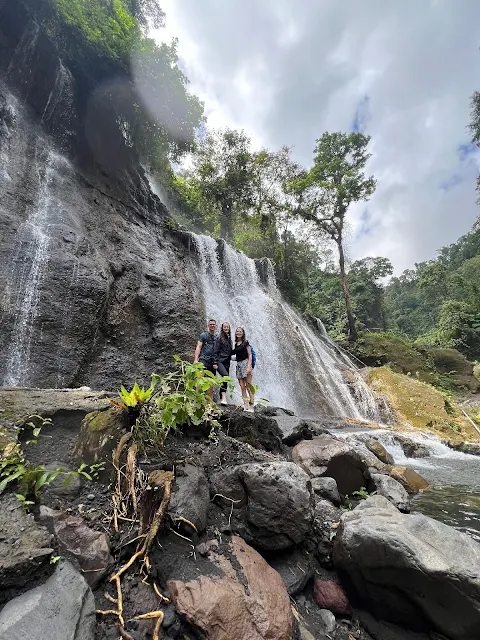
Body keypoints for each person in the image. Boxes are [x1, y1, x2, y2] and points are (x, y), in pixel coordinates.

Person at [231, 327, 254, 411]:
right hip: (239, 365)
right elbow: (237, 356)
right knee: (242, 387)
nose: (238, 333)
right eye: (237, 331)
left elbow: (250, 355)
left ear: (243, 333)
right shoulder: (236, 344)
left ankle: (251, 406)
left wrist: (249, 367)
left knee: (248, 386)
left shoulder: (245, 343)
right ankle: (246, 406)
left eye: (240, 331)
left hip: (245, 364)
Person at [193, 319, 217, 398]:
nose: (212, 325)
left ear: (216, 325)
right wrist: (196, 360)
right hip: (203, 359)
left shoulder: (217, 337)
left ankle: (210, 403)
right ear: (208, 325)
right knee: (200, 377)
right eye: (211, 324)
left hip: (212, 362)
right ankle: (197, 397)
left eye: (213, 324)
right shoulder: (204, 335)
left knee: (211, 382)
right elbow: (198, 347)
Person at [213, 322, 232, 405]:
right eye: (224, 327)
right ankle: (223, 397)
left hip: (227, 362)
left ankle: (223, 398)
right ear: (222, 328)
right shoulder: (219, 337)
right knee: (226, 377)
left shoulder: (229, 339)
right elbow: (215, 350)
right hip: (220, 361)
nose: (226, 328)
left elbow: (230, 351)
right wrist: (214, 362)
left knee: (226, 379)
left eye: (227, 327)